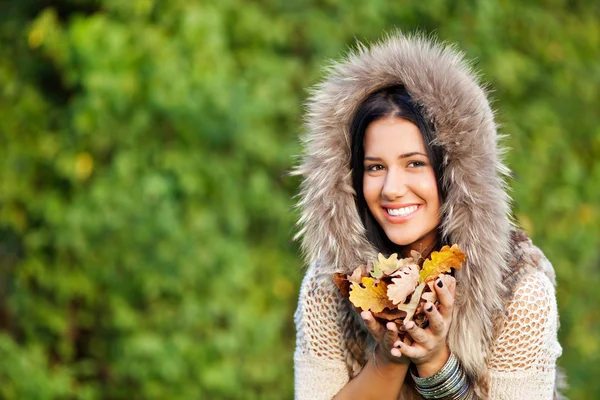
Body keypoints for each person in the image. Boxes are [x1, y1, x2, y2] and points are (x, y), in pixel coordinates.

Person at [292, 33, 564, 399]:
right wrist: (389, 359)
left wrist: (435, 362)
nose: (391, 188)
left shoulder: (517, 292)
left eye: (415, 163)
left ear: (456, 171)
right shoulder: (330, 286)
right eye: (374, 167)